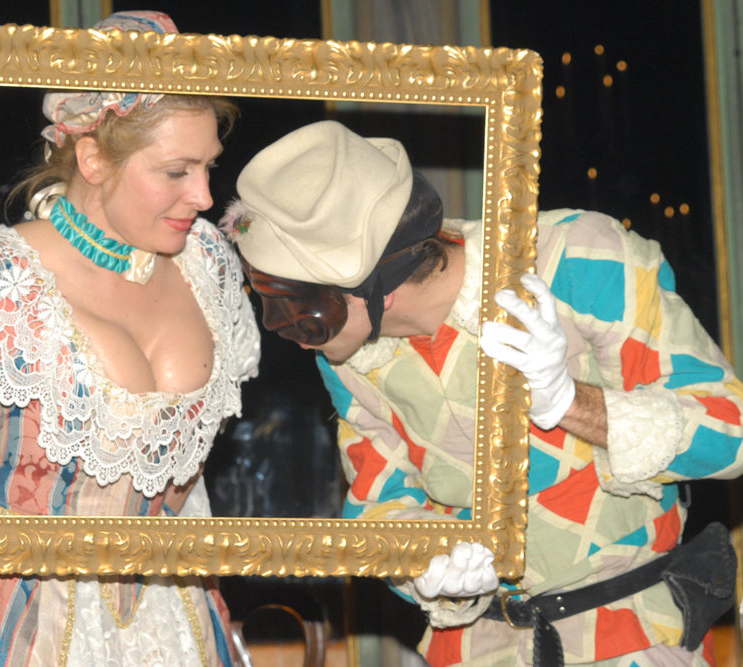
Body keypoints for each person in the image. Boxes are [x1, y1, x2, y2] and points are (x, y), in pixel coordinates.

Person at [221, 119, 743, 666]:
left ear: (375, 288)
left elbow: (729, 432)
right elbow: (379, 503)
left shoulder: (577, 259)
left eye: (296, 304)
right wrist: (427, 562)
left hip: (632, 640)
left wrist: (570, 402)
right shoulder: (348, 356)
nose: (280, 328)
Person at [0, 10, 260, 666]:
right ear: (92, 158)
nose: (205, 195)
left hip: (174, 621)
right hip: (10, 629)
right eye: (177, 171)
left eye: (209, 166)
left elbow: (191, 486)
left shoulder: (207, 263)